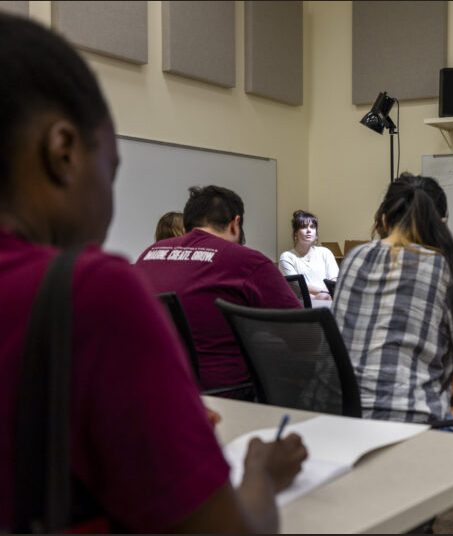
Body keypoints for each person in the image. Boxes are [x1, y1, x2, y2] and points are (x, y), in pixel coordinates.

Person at [0, 13, 306, 533]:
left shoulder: (145, 259)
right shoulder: (89, 292)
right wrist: (261, 473)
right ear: (63, 152)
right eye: (111, 170)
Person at [332, 173, 453, 534]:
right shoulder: (445, 267)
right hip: (404, 431)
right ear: (439, 223)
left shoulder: (353, 258)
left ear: (383, 218)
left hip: (340, 422)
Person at [135, 185, 302, 397]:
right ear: (236, 223)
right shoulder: (247, 261)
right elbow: (305, 337)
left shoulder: (149, 255)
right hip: (226, 396)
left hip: (154, 390)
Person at [278, 210, 338, 300]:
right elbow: (297, 287)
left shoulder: (325, 252)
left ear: (316, 234)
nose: (309, 230)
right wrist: (322, 293)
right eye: (304, 227)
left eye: (312, 227)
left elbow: (334, 281)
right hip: (303, 304)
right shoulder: (287, 257)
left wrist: (326, 295)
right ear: (295, 233)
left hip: (329, 299)